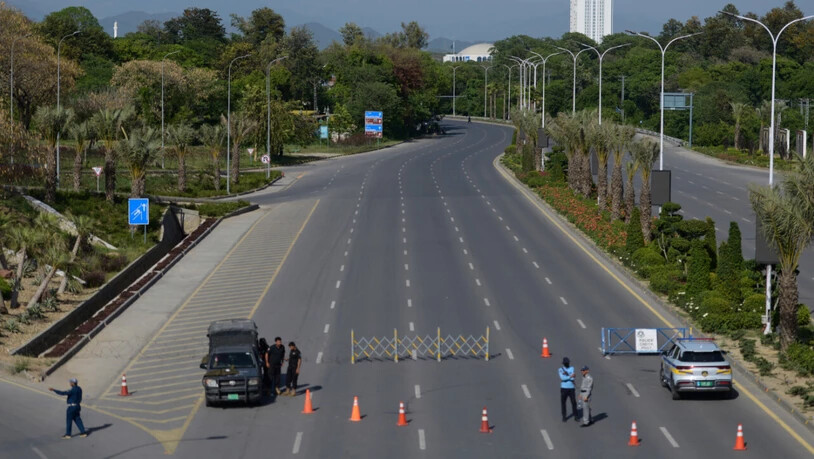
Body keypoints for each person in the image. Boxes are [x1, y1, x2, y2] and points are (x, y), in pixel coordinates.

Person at [558, 357, 578, 423]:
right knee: (563, 403)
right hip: (564, 388)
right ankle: (564, 416)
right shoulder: (560, 369)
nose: (567, 364)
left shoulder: (572, 368)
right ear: (564, 363)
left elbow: (572, 378)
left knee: (573, 402)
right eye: (566, 363)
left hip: (571, 388)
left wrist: (569, 377)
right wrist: (570, 376)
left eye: (568, 363)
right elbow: (562, 378)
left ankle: (576, 415)